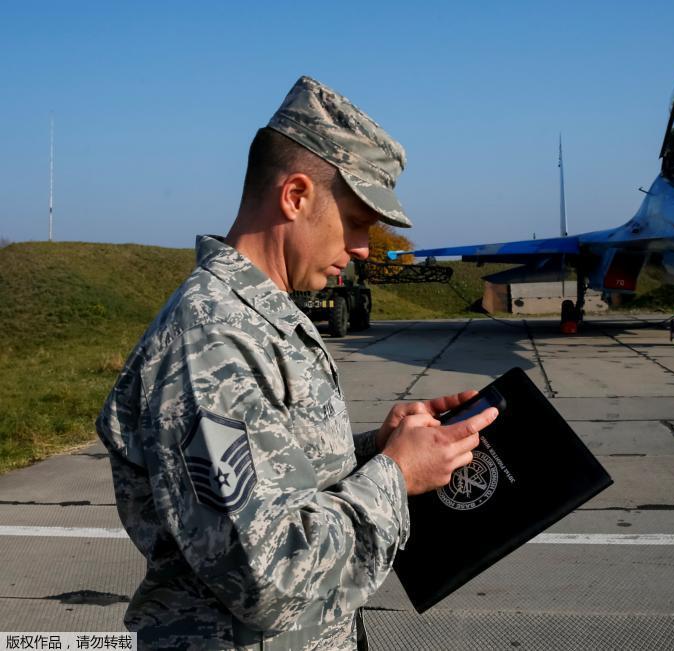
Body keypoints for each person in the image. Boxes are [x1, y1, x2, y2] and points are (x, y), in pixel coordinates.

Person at [95, 76, 498, 650]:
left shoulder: (258, 315)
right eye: (358, 220)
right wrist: (396, 476)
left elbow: (278, 481)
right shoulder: (212, 341)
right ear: (296, 196)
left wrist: (379, 449)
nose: (364, 247)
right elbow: (267, 578)